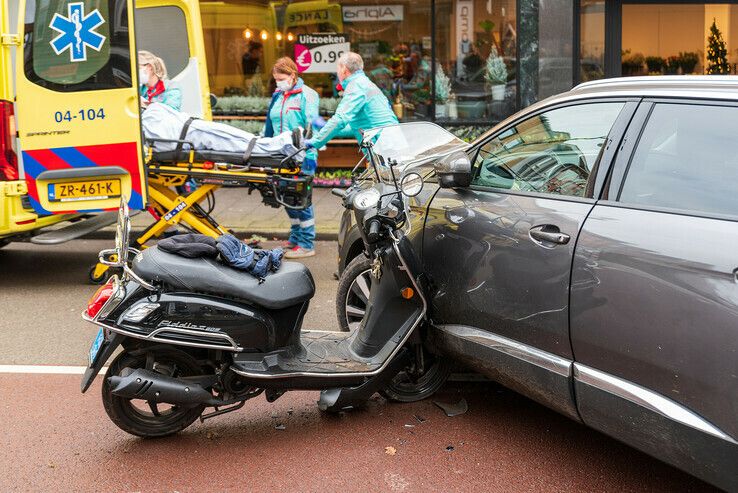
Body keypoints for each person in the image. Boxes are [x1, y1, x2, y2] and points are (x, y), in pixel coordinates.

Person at [265, 57, 320, 259]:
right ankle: (296, 237)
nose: (278, 82)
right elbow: (269, 125)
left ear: (293, 75)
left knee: (301, 199)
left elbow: (311, 126)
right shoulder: (278, 95)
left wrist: (305, 150)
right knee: (287, 196)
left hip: (302, 156)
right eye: (276, 79)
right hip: (281, 155)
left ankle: (307, 244)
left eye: (281, 78)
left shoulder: (308, 95)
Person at [306, 52, 398, 150]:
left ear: (344, 69)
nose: (337, 74)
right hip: (391, 144)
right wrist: (325, 127)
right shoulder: (365, 83)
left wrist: (314, 142)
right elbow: (356, 126)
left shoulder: (356, 86)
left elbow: (340, 120)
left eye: (337, 70)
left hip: (385, 149)